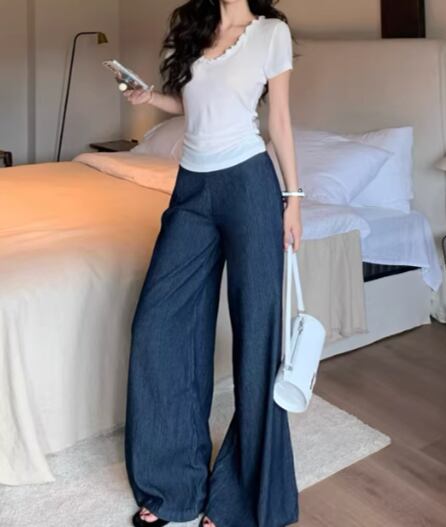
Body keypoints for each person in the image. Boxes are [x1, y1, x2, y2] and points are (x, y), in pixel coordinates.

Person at [123, 1, 302, 526]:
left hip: (248, 186)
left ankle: (239, 500)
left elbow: (280, 119)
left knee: (257, 335)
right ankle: (172, 487)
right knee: (158, 324)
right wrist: (149, 97)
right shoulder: (199, 27)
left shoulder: (271, 33)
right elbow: (195, 104)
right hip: (191, 188)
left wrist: (293, 199)